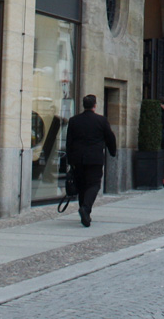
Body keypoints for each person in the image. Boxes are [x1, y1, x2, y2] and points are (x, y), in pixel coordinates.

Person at [66, 94, 117, 227]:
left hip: (78, 159)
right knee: (94, 184)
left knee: (82, 185)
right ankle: (86, 209)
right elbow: (110, 137)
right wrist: (113, 151)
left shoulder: (74, 120)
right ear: (95, 105)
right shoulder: (101, 120)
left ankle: (85, 213)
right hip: (94, 158)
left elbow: (69, 141)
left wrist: (70, 160)